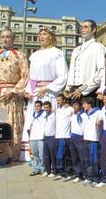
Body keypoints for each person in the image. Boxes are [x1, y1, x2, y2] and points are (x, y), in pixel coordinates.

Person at [0, 28, 29, 161]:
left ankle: (12, 152)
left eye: (8, 36)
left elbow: (25, 76)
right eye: (2, 36)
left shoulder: (20, 55)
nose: (5, 39)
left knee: (11, 122)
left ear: (13, 39)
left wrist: (14, 90)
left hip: (12, 96)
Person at [22, 27, 68, 161]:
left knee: (49, 124)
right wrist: (29, 91)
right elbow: (32, 77)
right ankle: (34, 156)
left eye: (45, 34)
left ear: (51, 37)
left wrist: (48, 88)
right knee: (34, 123)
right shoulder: (35, 55)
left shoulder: (57, 53)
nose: (41, 36)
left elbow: (63, 75)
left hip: (50, 94)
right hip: (36, 94)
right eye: (40, 34)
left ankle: (50, 157)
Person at [65, 20, 106, 101]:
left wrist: (83, 89)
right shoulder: (76, 50)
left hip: (89, 93)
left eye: (86, 27)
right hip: (73, 93)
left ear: (94, 29)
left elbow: (102, 72)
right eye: (82, 27)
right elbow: (71, 71)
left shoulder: (99, 47)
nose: (82, 30)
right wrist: (67, 88)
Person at [81, 97, 102, 186]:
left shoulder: (97, 112)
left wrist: (98, 120)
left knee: (94, 160)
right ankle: (89, 177)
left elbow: (103, 113)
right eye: (83, 104)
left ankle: (96, 178)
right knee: (87, 160)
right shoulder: (83, 114)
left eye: (85, 104)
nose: (83, 106)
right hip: (85, 139)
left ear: (90, 104)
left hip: (94, 140)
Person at [54, 94, 74, 181]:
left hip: (66, 136)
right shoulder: (58, 110)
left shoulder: (69, 109)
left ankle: (69, 173)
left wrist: (69, 106)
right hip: (58, 136)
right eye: (57, 100)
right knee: (59, 156)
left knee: (66, 156)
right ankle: (61, 173)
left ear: (64, 100)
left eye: (59, 100)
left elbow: (74, 115)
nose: (58, 102)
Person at [26, 101, 45, 176]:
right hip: (33, 137)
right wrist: (29, 137)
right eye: (35, 106)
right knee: (34, 154)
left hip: (41, 137)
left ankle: (43, 169)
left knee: (42, 154)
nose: (36, 107)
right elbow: (30, 126)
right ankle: (36, 169)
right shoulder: (33, 114)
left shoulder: (44, 113)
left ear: (41, 106)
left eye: (38, 106)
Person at [69, 100, 85, 183]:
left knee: (82, 157)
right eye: (73, 105)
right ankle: (78, 174)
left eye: (76, 105)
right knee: (74, 157)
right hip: (73, 137)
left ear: (80, 106)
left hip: (80, 138)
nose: (74, 107)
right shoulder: (72, 115)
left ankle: (85, 174)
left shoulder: (83, 115)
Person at [42, 101, 57, 178]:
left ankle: (54, 171)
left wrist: (54, 110)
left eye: (47, 107)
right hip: (45, 137)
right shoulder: (44, 115)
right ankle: (47, 170)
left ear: (50, 107)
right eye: (44, 107)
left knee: (52, 154)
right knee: (46, 155)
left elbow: (58, 111)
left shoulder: (54, 114)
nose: (46, 109)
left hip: (52, 137)